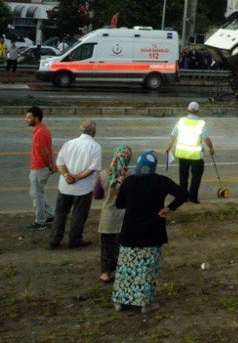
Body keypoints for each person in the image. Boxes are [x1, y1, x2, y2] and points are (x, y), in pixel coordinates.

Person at [112, 151, 187, 313]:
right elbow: (183, 193)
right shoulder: (161, 181)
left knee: (126, 267)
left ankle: (121, 300)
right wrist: (169, 208)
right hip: (152, 232)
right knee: (147, 268)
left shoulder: (129, 182)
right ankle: (145, 302)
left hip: (130, 231)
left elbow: (119, 204)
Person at [50, 120, 103, 249]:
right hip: (83, 188)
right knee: (79, 214)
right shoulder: (95, 147)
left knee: (60, 213)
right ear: (94, 132)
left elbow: (60, 164)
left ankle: (55, 239)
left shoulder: (68, 144)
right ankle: (75, 239)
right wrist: (77, 177)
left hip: (65, 186)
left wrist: (67, 175)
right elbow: (92, 168)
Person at [164, 101, 214, 203]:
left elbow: (173, 135)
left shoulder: (181, 121)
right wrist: (211, 148)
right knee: (196, 177)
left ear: (188, 110)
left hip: (182, 154)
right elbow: (206, 139)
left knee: (183, 176)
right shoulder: (201, 123)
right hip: (195, 156)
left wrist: (168, 147)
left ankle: (183, 197)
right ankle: (193, 197)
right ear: (198, 111)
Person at [97, 145, 132, 282]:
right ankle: (123, 273)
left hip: (107, 218)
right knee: (123, 248)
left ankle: (106, 274)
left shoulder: (103, 175)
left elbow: (97, 195)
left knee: (106, 247)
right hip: (125, 218)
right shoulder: (131, 176)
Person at [25, 106, 56, 230]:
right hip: (38, 167)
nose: (26, 120)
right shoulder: (41, 130)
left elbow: (45, 152)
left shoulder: (40, 133)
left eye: (29, 117)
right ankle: (49, 214)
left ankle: (40, 221)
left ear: (36, 118)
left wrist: (50, 166)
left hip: (39, 168)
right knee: (35, 193)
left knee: (37, 194)